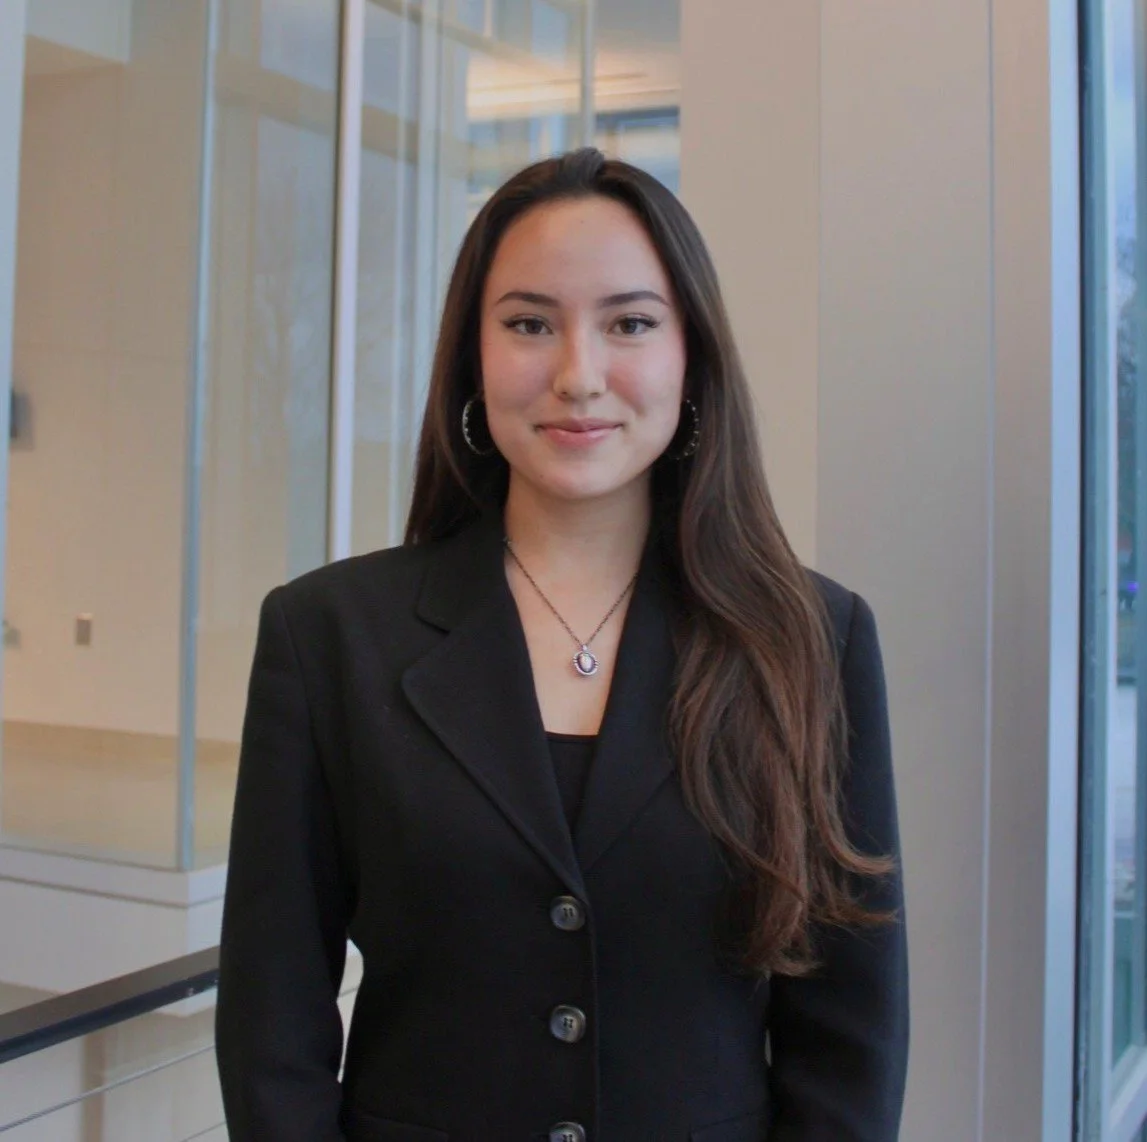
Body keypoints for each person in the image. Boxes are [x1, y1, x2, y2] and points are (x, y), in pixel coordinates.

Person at [215, 147, 908, 1142]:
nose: (578, 376)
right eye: (529, 323)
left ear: (690, 356)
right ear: (472, 356)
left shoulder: (809, 640)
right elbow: (271, 1018)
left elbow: (849, 1038)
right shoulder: (328, 634)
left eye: (630, 323)